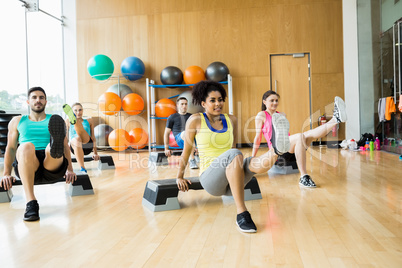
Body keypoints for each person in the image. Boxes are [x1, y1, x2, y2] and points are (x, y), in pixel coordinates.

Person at [175, 81, 291, 233]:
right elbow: (186, 151)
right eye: (213, 100)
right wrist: (179, 176)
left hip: (232, 181)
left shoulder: (231, 120)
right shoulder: (195, 120)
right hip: (210, 180)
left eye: (220, 99)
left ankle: (276, 151)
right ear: (203, 103)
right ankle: (242, 213)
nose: (218, 103)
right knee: (236, 154)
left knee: (250, 161)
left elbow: (233, 148)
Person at [0, 87, 76, 221]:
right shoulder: (17, 121)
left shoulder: (54, 120)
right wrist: (6, 173)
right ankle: (31, 202)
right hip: (28, 163)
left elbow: (65, 146)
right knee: (26, 147)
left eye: (41, 97)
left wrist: (70, 169)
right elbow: (11, 148)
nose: (38, 100)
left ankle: (53, 146)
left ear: (46, 101)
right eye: (34, 97)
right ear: (28, 102)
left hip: (51, 165)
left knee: (50, 147)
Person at [252, 90, 347, 188]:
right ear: (264, 102)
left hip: (290, 150)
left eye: (276, 100)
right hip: (277, 153)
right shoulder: (261, 115)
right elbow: (257, 137)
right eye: (272, 100)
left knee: (309, 134)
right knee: (300, 136)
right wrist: (252, 156)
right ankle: (303, 176)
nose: (275, 103)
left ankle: (336, 119)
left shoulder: (282, 115)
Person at [63, 103, 99, 173]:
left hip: (87, 145)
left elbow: (93, 137)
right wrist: (64, 154)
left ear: (82, 110)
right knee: (77, 139)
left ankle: (75, 121)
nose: (78, 112)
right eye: (75, 111)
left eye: (80, 110)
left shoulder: (89, 120)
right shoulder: (67, 121)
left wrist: (95, 153)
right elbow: (66, 139)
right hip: (75, 147)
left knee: (80, 132)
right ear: (73, 111)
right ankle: (82, 168)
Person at [164, 96, 198, 169]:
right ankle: (192, 159)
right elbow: (166, 133)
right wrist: (166, 148)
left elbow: (197, 131)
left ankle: (194, 153)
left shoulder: (191, 116)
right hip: (180, 139)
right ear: (177, 105)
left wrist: (198, 146)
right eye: (182, 104)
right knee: (186, 133)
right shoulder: (172, 117)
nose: (184, 106)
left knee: (193, 132)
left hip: (192, 139)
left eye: (186, 104)